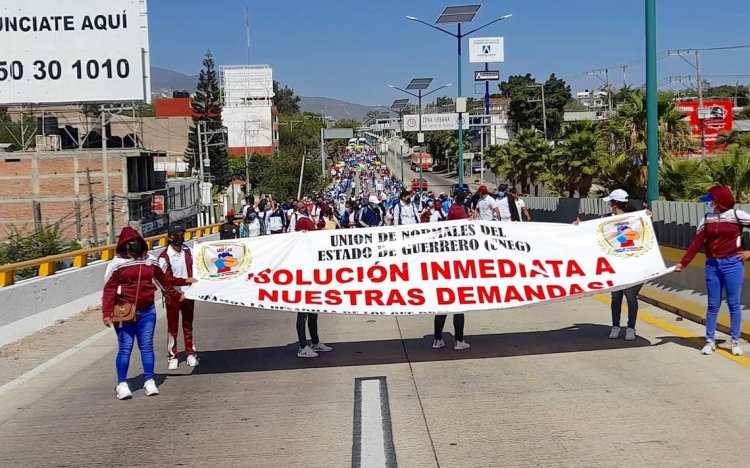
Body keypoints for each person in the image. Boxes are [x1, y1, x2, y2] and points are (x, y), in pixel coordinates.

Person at [102, 227, 195, 400]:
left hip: (147, 311)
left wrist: (177, 293)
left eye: (138, 241)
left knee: (146, 347)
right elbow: (109, 290)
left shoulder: (150, 260)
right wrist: (107, 313)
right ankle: (122, 383)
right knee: (125, 348)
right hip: (124, 312)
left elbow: (164, 281)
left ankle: (149, 380)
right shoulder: (116, 264)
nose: (135, 245)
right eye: (132, 242)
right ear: (125, 245)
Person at [675, 186, 750, 356]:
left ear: (719, 202)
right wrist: (683, 263)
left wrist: (749, 253)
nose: (708, 203)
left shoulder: (737, 215)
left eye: (711, 200)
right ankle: (710, 341)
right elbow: (696, 243)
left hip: (733, 264)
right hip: (712, 265)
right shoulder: (707, 218)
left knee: (733, 304)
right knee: (713, 305)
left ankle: (735, 341)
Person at [601, 189, 643, 341]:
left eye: (611, 203)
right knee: (616, 296)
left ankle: (631, 327)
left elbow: (636, 236)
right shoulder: (605, 219)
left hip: (631, 264)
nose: (610, 206)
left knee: (631, 297)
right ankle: (615, 326)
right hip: (615, 265)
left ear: (615, 204)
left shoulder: (635, 219)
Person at [432, 194, 470, 350]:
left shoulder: (443, 234)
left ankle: (437, 339)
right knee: (458, 308)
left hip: (443, 274)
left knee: (442, 307)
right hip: (456, 274)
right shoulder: (462, 238)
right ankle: (459, 341)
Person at [293, 212, 333, 357]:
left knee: (313, 312)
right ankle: (302, 347)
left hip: (313, 281)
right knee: (302, 315)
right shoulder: (294, 247)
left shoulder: (310, 245)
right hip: (301, 283)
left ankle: (315, 342)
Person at [158, 225, 198, 370]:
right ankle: (173, 355)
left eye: (182, 234)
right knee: (172, 328)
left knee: (188, 325)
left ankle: (191, 353)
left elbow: (200, 264)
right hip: (173, 296)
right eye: (177, 235)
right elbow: (166, 280)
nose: (180, 237)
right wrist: (181, 286)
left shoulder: (189, 252)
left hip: (188, 294)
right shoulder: (164, 257)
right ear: (170, 237)